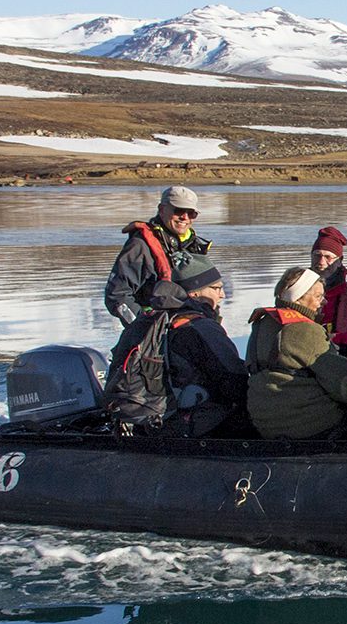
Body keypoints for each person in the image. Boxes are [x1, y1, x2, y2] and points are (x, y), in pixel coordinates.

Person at [106, 256, 248, 437]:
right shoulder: (200, 327)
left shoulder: (148, 320)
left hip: (149, 422)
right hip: (189, 425)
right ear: (195, 293)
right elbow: (235, 380)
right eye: (216, 288)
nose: (222, 295)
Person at [246, 267, 347, 439]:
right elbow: (344, 388)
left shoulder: (262, 323)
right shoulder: (306, 329)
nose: (324, 302)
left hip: (263, 422)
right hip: (307, 425)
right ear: (298, 298)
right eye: (318, 296)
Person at [104, 186, 212, 326]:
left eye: (191, 213)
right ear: (162, 209)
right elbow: (116, 295)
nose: (184, 217)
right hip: (154, 332)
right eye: (178, 210)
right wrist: (144, 326)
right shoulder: (139, 246)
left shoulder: (194, 246)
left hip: (190, 326)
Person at [309, 226, 347, 364]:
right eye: (317, 255)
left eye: (328, 257)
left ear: (340, 260)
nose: (321, 262)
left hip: (342, 367)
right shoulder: (297, 291)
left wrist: (333, 339)